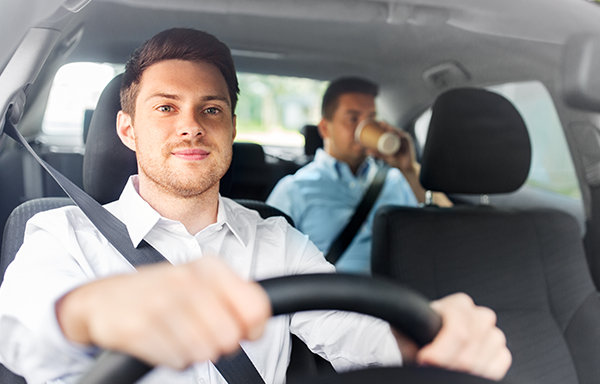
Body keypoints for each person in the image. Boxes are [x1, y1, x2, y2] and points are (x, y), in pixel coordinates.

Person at [0, 28, 510, 384]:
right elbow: (20, 331)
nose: (190, 125)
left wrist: (426, 336)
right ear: (127, 128)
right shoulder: (58, 232)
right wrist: (95, 312)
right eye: (165, 107)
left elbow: (351, 329)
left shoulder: (277, 239)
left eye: (212, 109)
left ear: (232, 128)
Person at [267, 77, 452, 274]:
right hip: (331, 300)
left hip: (398, 298)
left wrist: (409, 169)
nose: (362, 128)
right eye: (353, 119)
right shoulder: (293, 190)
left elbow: (452, 229)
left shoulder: (397, 179)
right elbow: (266, 263)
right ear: (324, 128)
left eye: (370, 120)